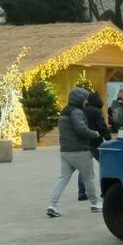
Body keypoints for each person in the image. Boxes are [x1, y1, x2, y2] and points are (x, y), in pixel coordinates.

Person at [46, 88, 103, 217]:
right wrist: (94, 134)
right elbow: (81, 129)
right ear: (79, 99)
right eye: (85, 98)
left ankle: (52, 205)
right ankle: (95, 204)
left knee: (63, 178)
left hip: (65, 151)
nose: (87, 101)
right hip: (79, 151)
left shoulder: (64, 111)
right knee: (88, 178)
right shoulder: (77, 112)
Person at [76, 91, 112, 202]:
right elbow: (102, 126)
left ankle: (81, 192)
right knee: (106, 166)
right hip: (96, 143)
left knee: (83, 168)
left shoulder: (82, 111)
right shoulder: (97, 112)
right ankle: (105, 191)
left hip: (84, 144)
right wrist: (107, 137)